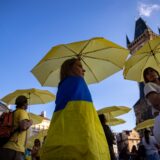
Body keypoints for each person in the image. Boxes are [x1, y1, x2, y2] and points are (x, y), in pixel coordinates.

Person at [40, 58, 111, 160]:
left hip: (63, 141)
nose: (84, 70)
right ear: (69, 69)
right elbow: (84, 115)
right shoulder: (78, 82)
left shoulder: (62, 86)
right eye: (79, 66)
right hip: (82, 141)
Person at [0, 95, 33, 160]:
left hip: (5, 146)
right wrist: (30, 122)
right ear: (24, 103)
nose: (27, 105)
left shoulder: (14, 112)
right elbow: (23, 126)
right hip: (15, 149)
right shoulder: (22, 112)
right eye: (27, 103)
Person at [143, 67, 160, 143]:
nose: (150, 74)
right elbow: (156, 101)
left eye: (152, 71)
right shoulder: (148, 86)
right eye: (147, 73)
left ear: (156, 72)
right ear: (146, 78)